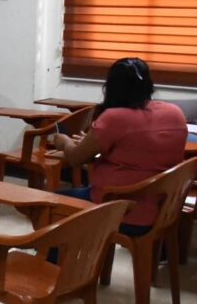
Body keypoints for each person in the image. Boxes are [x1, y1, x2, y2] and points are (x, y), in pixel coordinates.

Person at [52, 57, 187, 236]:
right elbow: (137, 149)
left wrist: (64, 142)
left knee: (51, 205)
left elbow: (75, 158)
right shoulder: (175, 112)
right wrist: (91, 141)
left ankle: (56, 255)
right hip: (162, 209)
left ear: (112, 87)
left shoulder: (115, 118)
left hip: (119, 209)